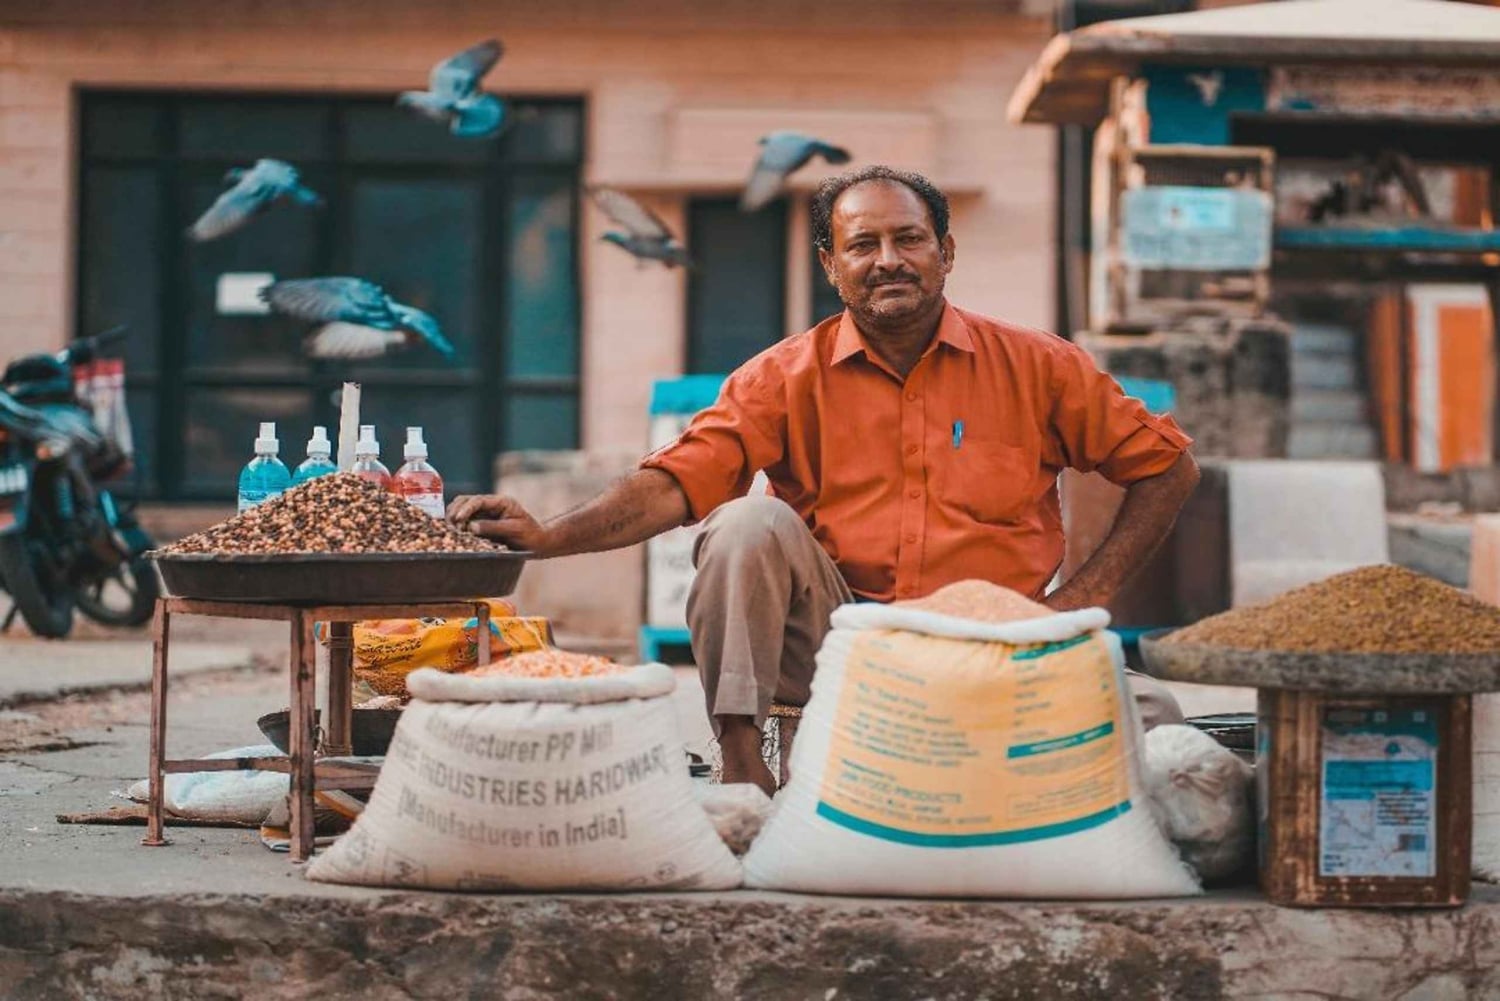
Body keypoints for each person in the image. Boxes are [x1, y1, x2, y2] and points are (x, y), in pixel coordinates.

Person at [449, 165, 1200, 796]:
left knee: (1160, 724)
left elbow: (1167, 466)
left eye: (909, 239)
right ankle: (742, 766)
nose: (888, 260)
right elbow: (674, 483)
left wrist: (1078, 600)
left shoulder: (1038, 366)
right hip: (837, 646)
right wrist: (547, 537)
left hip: (999, 644)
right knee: (744, 522)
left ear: (946, 250)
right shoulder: (782, 376)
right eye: (862, 244)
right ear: (829, 264)